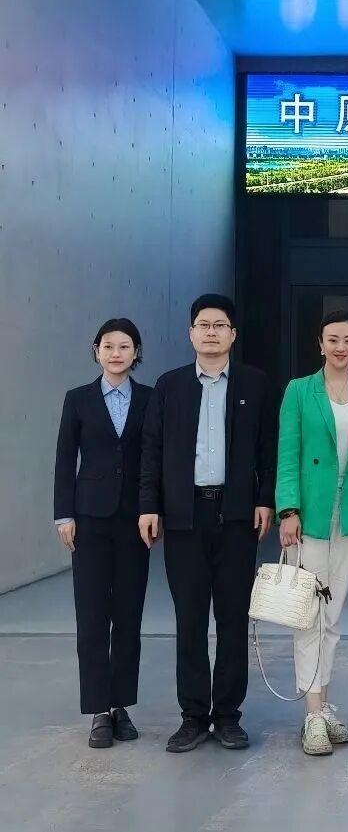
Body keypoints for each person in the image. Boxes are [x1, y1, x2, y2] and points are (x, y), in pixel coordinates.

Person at [139, 294, 276, 753]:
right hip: (185, 516)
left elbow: (268, 448)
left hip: (236, 516)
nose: (211, 332)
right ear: (191, 333)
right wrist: (149, 505)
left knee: (233, 618)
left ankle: (228, 716)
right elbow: (152, 450)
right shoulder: (170, 385)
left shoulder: (255, 384)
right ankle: (194, 716)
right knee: (191, 619)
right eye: (204, 324)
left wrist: (265, 499)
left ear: (233, 334)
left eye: (220, 325)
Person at [276, 310, 348, 756]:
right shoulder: (299, 390)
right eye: (333, 339)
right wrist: (288, 509)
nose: (341, 347)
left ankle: (322, 703)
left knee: (333, 614)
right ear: (320, 344)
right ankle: (313, 714)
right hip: (310, 515)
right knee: (309, 613)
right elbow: (288, 453)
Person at [54, 319, 152, 748]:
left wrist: (153, 508)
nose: (116, 353)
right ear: (96, 350)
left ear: (136, 353)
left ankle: (121, 705)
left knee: (129, 614)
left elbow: (154, 457)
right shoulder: (78, 399)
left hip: (134, 521)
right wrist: (63, 515)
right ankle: (98, 709)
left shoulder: (150, 399)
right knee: (93, 615)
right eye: (108, 346)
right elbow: (64, 458)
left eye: (124, 346)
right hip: (89, 519)